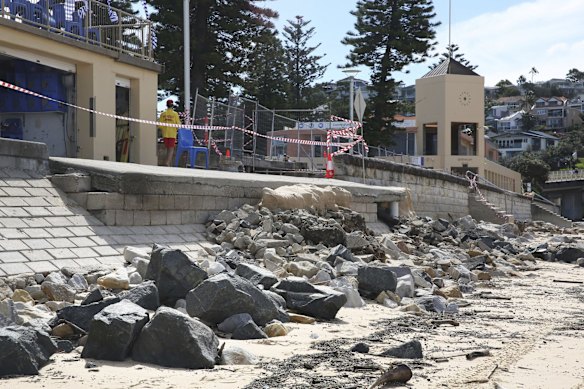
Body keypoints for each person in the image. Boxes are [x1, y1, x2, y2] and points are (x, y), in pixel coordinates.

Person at [158, 99, 181, 166]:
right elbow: (178, 125)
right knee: (171, 149)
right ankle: (167, 162)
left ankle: (165, 161)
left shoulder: (163, 114)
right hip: (172, 134)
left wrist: (164, 129)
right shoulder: (175, 114)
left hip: (165, 133)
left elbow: (160, 125)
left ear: (166, 105)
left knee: (166, 147)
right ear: (172, 106)